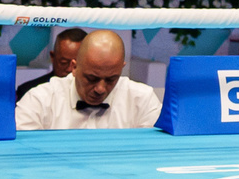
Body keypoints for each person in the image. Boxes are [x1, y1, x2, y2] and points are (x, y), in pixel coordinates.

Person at [14, 29, 162, 130]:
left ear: (121, 68)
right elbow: (21, 157)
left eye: (111, 79)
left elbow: (158, 153)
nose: (101, 89)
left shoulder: (143, 99)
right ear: (74, 67)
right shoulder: (38, 101)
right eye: (91, 78)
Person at [15, 27, 87, 103]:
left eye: (77, 64)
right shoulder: (29, 91)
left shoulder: (96, 92)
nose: (70, 69)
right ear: (52, 57)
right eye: (64, 62)